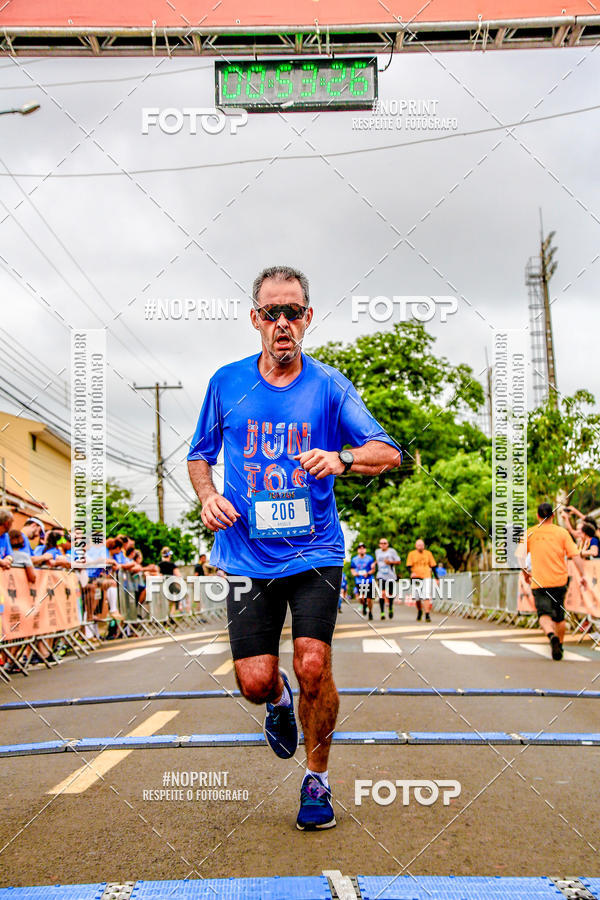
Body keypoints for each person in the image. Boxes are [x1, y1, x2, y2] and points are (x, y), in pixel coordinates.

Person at [187, 264, 401, 831]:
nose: (282, 322)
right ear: (255, 319)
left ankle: (317, 780)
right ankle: (278, 703)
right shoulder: (227, 383)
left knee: (313, 664)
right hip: (245, 554)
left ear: (308, 318)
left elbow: (389, 451)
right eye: (271, 312)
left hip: (315, 553)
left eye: (293, 312)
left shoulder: (330, 385)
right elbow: (199, 455)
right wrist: (208, 496)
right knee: (256, 682)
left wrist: (343, 458)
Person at [520, 502, 588, 660]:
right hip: (559, 581)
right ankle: (560, 645)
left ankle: (552, 636)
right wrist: (583, 574)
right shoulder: (562, 533)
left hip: (539, 582)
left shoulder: (530, 533)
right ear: (552, 516)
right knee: (559, 617)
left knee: (543, 615)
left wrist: (525, 572)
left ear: (538, 516)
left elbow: (520, 557)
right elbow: (575, 555)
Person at [406, 538, 437, 622]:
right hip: (416, 577)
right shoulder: (411, 554)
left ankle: (427, 614)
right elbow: (408, 566)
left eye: (422, 545)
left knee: (426, 596)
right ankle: (420, 611)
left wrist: (436, 578)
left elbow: (433, 566)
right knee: (417, 598)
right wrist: (411, 573)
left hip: (426, 576)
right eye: (419, 545)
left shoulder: (428, 553)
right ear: (416, 546)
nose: (421, 547)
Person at [375, 537, 400, 620]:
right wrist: (373, 564)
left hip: (391, 576)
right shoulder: (377, 552)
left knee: (390, 594)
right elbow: (378, 561)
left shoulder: (392, 551)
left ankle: (390, 608)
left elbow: (398, 561)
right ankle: (382, 612)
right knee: (382, 594)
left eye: (385, 543)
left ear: (387, 544)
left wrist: (390, 562)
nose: (383, 545)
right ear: (379, 545)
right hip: (381, 575)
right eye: (381, 543)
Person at [350, 543, 377, 620]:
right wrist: (355, 573)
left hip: (369, 580)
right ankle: (364, 605)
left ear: (365, 550)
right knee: (361, 597)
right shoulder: (354, 559)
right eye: (360, 548)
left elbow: (373, 569)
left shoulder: (370, 558)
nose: (361, 549)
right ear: (358, 550)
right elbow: (352, 569)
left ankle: (370, 612)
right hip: (359, 581)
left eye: (363, 548)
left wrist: (368, 573)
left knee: (369, 598)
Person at [158, 547, 182, 619]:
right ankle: (171, 615)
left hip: (162, 585)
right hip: (170, 585)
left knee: (164, 602)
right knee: (174, 600)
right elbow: (178, 575)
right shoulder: (172, 565)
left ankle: (164, 617)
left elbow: (158, 574)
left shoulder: (159, 564)